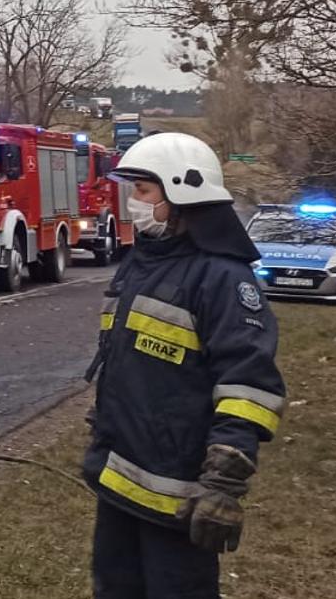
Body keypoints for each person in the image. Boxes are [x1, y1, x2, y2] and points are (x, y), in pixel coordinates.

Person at [87, 133, 287, 599]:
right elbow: (123, 355)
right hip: (119, 480)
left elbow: (248, 385)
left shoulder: (223, 277)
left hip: (181, 497)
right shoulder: (140, 264)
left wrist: (224, 481)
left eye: (143, 191)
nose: (133, 202)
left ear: (181, 195)